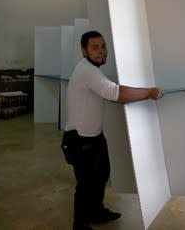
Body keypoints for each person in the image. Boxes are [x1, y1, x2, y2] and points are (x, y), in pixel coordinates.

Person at [61, 31, 164, 230]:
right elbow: (116, 92)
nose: (101, 51)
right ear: (84, 51)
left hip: (94, 137)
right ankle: (80, 225)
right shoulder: (87, 71)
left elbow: (111, 92)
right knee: (85, 185)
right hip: (80, 140)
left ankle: (96, 212)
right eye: (95, 47)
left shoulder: (93, 70)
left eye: (103, 46)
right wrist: (149, 92)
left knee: (101, 176)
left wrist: (139, 95)